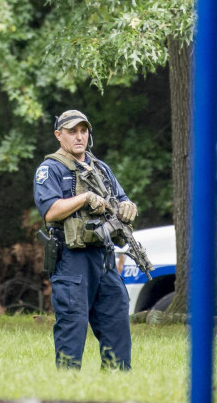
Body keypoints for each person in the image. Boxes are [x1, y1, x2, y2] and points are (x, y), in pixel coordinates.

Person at [33, 109, 138, 369]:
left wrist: (129, 207)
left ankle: (118, 383)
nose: (79, 137)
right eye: (72, 132)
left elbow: (121, 199)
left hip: (104, 257)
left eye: (83, 131)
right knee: (73, 325)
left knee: (117, 322)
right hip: (72, 259)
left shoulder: (100, 168)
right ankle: (67, 386)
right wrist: (84, 198)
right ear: (59, 135)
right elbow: (50, 211)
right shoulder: (50, 169)